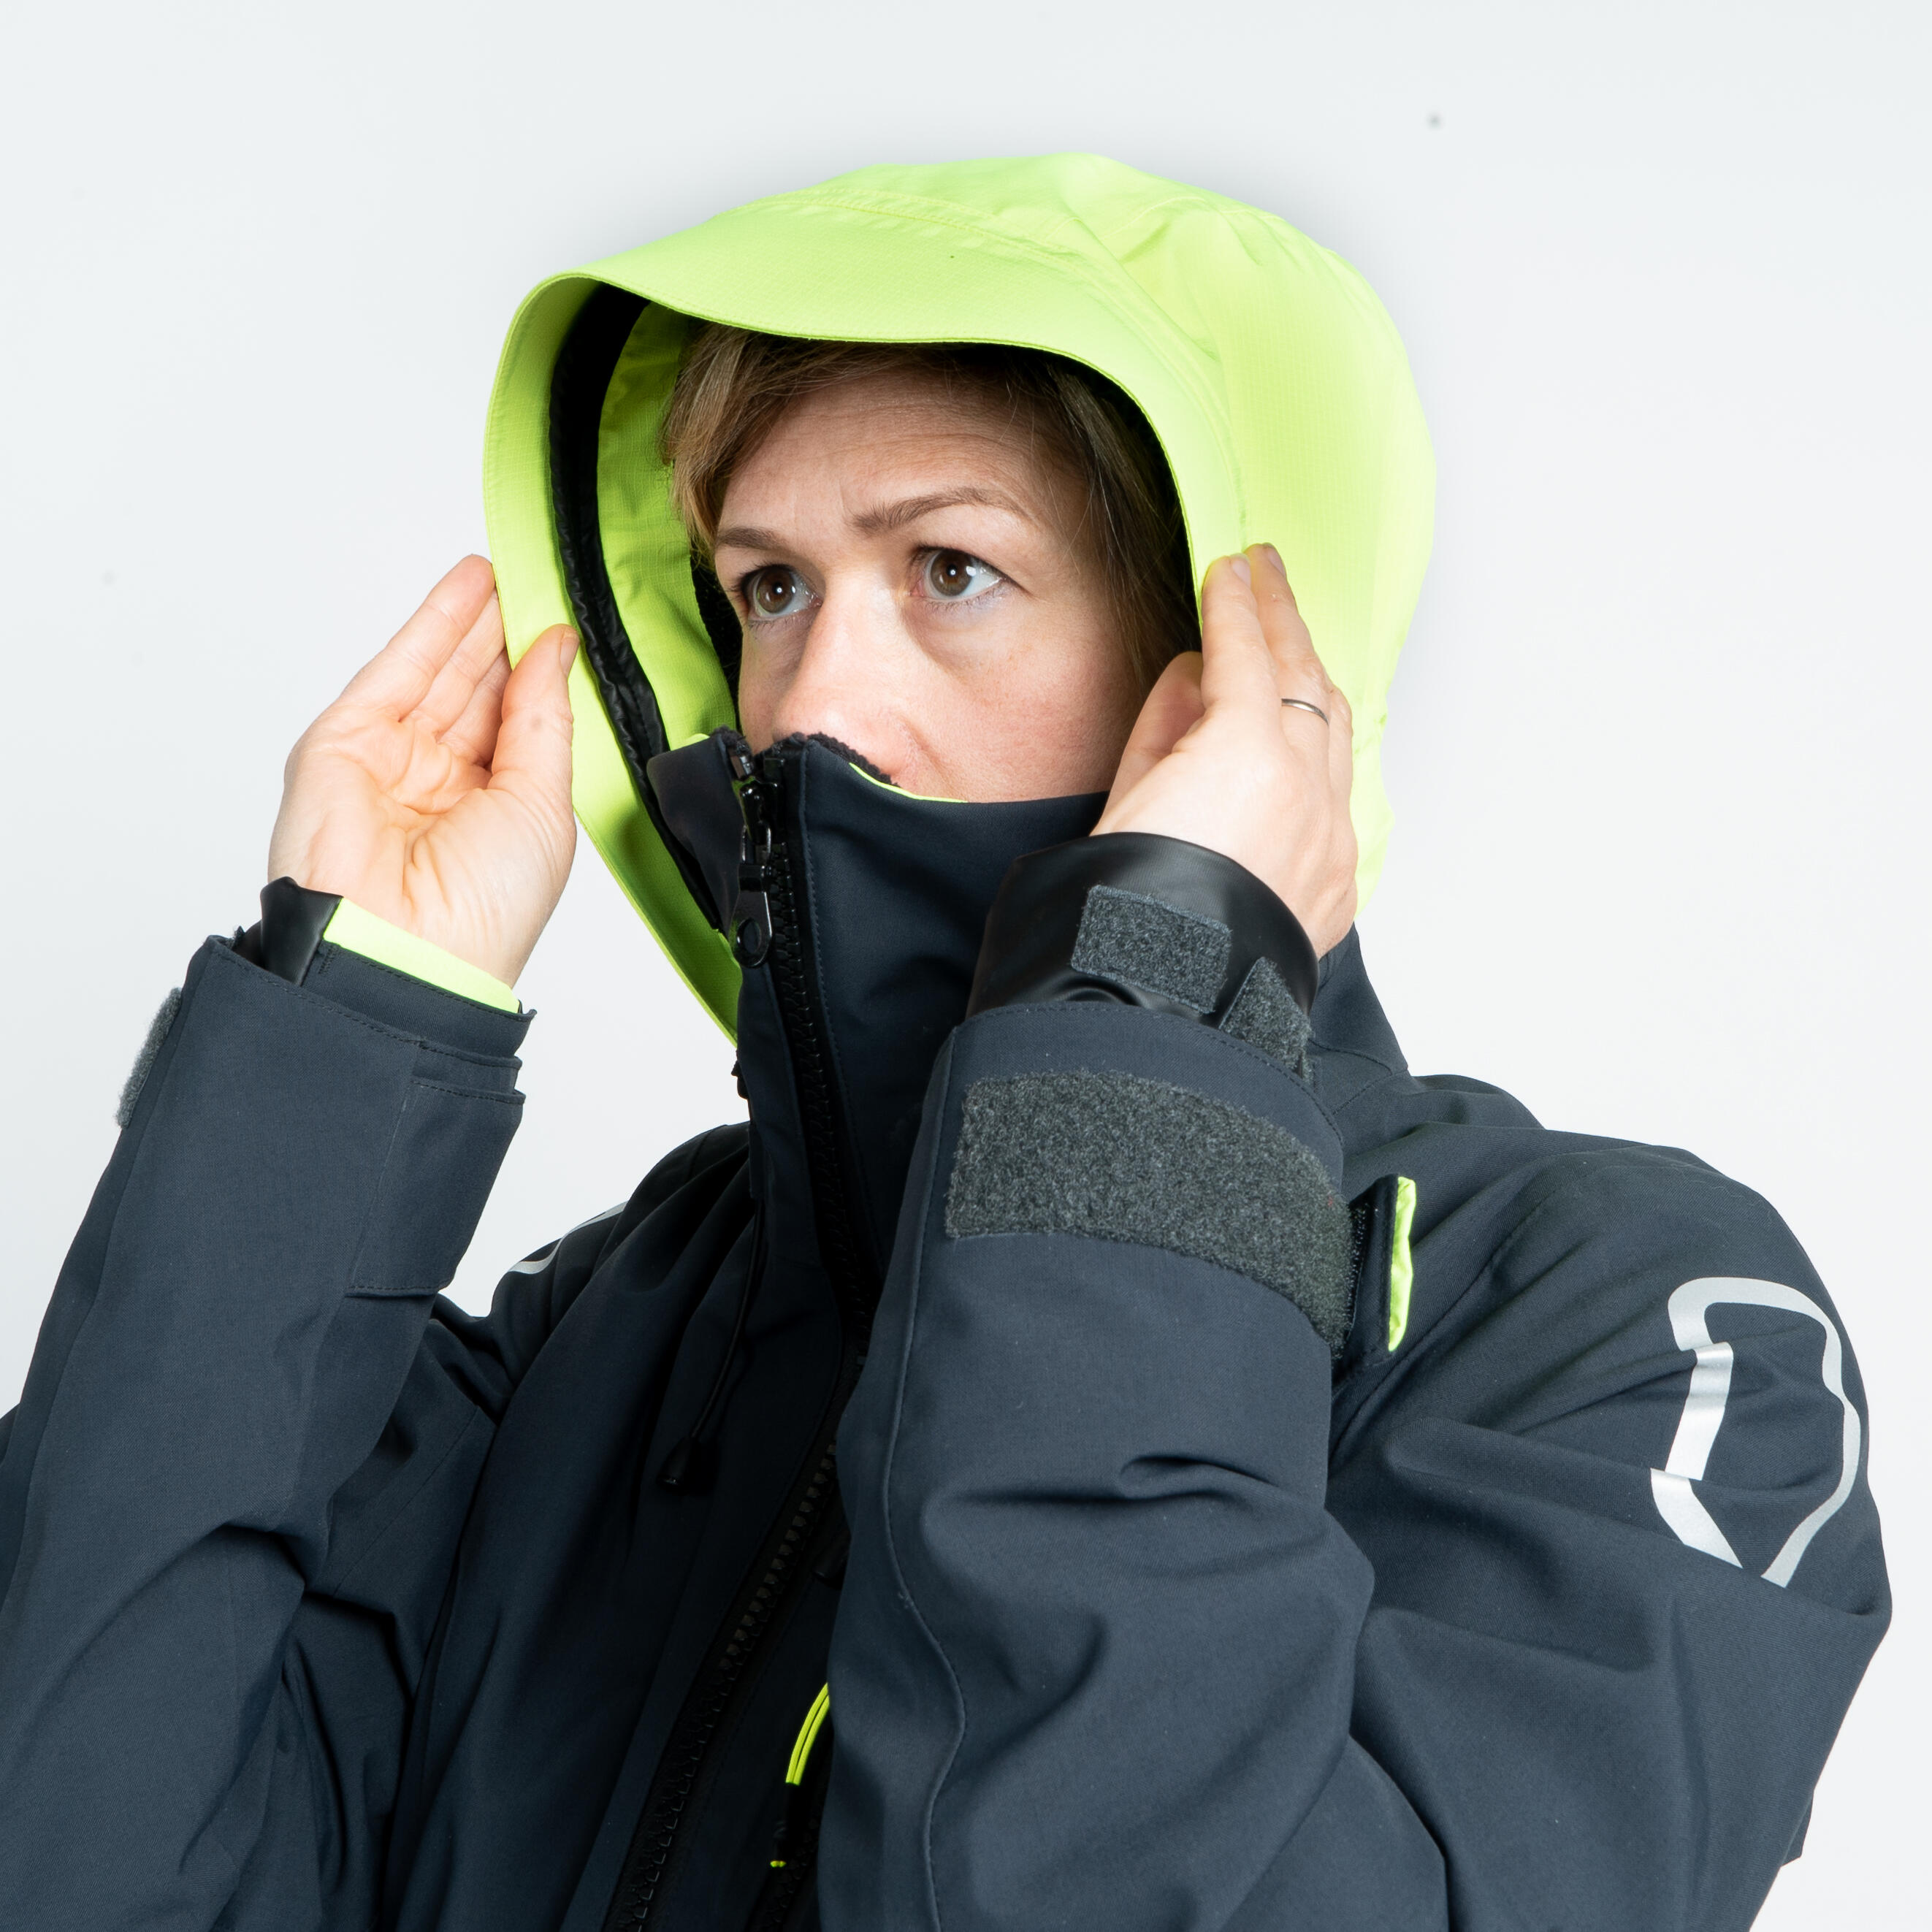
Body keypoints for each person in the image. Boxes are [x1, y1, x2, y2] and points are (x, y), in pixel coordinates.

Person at [0, 155, 1887, 1932]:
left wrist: (1150, 1009)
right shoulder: (610, 1330)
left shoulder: (1626, 1325)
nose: (811, 709)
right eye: (770, 588)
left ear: (1244, 661)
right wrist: (335, 1055)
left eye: (952, 571)